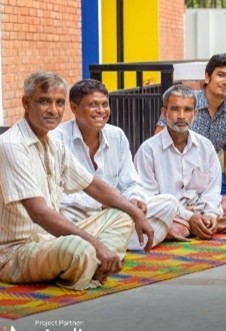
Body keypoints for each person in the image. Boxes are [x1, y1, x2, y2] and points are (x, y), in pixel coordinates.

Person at [0, 71, 154, 290]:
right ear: (26, 103)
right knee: (80, 248)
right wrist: (95, 244)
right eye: (44, 102)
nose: (53, 110)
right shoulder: (11, 146)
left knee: (121, 216)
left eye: (59, 102)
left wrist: (136, 213)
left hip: (49, 241)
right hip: (14, 254)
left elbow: (92, 184)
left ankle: (92, 265)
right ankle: (92, 263)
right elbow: (39, 213)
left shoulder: (53, 143)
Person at [55, 79, 179, 251]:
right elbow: (57, 196)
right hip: (81, 214)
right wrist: (103, 203)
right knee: (61, 213)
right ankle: (113, 243)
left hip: (117, 213)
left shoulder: (117, 135)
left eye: (105, 104)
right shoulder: (57, 139)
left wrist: (135, 199)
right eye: (93, 105)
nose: (101, 111)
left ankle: (98, 246)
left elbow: (130, 183)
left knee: (168, 203)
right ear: (74, 108)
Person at [137, 84, 226, 239]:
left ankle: (203, 225)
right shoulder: (148, 150)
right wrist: (188, 216)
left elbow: (212, 190)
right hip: (172, 215)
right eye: (175, 109)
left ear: (195, 113)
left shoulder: (205, 147)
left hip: (201, 210)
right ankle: (193, 227)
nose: (181, 116)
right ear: (164, 113)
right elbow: (150, 199)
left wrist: (211, 214)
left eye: (187, 110)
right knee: (160, 221)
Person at [156, 53, 226, 195]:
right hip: (173, 175)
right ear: (207, 77)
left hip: (206, 178)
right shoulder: (185, 101)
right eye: (221, 75)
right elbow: (158, 141)